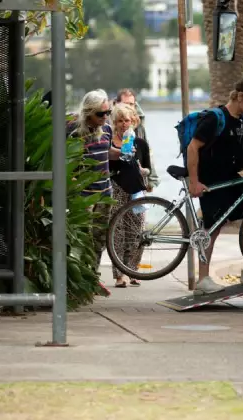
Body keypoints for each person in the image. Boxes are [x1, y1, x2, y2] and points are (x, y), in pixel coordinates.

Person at [186, 78, 243, 295]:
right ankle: (203, 280)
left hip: (230, 177)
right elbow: (193, 148)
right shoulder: (215, 118)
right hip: (211, 181)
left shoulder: (241, 121)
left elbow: (242, 146)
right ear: (240, 97)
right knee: (213, 228)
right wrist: (194, 182)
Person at [66, 89, 120, 272]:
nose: (105, 117)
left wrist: (123, 154)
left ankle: (92, 274)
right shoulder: (74, 130)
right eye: (101, 113)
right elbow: (63, 158)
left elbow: (108, 151)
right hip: (83, 194)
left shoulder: (106, 129)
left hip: (105, 192)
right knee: (81, 237)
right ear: (89, 112)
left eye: (108, 112)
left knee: (99, 238)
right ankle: (79, 274)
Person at [107, 103, 157, 288]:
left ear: (134, 121)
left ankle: (133, 270)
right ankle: (119, 275)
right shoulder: (110, 143)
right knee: (117, 233)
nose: (123, 124)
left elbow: (148, 168)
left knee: (138, 233)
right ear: (114, 122)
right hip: (117, 188)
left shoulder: (141, 143)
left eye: (126, 120)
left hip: (136, 190)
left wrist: (143, 171)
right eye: (119, 120)